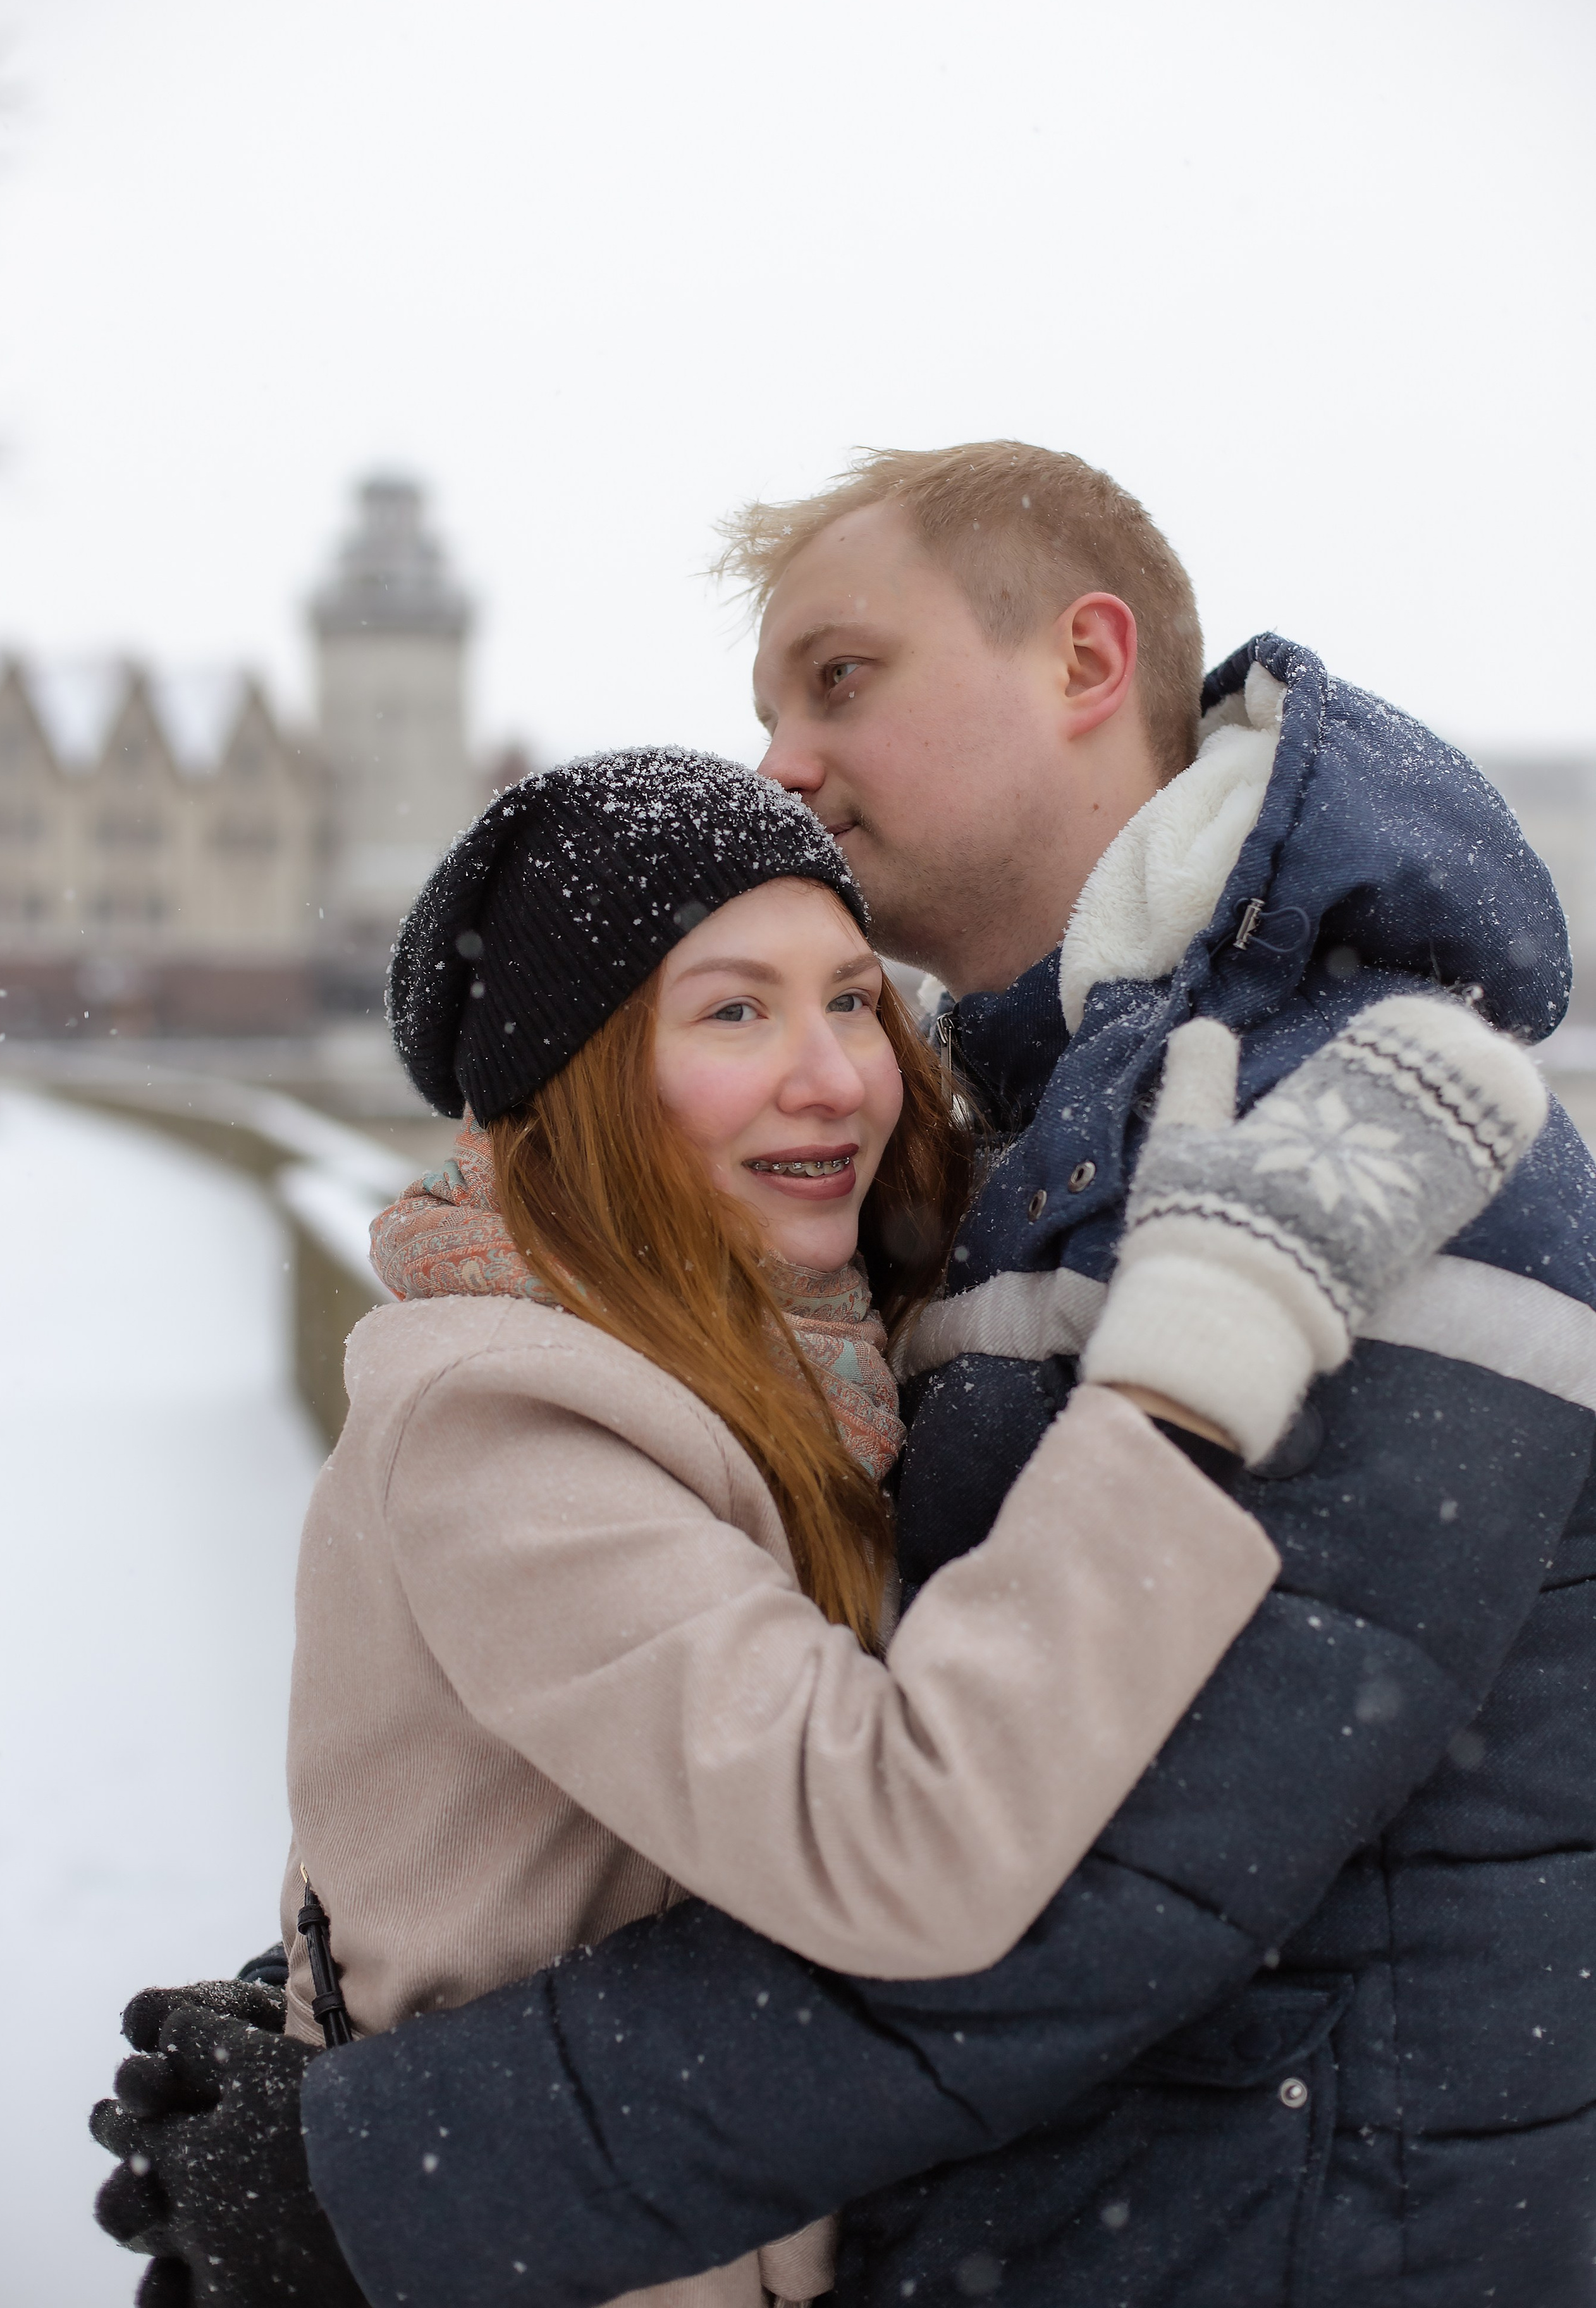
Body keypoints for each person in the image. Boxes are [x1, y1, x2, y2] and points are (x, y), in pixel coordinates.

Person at [93, 444, 1596, 2308]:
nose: (784, 757)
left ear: (1082, 662)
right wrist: (403, 1964)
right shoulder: (1039, 1147)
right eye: (736, 1010)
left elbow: (1078, 1895)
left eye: (840, 679)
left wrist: (391, 2152)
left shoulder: (1352, 1138)